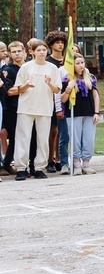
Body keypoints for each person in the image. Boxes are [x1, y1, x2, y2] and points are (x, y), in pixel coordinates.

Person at [12, 39, 61, 181]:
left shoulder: (52, 68)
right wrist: (27, 85)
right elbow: (18, 89)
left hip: (44, 107)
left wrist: (49, 83)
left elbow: (56, 89)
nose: (41, 52)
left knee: (42, 139)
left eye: (44, 50)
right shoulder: (26, 67)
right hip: (26, 107)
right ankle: (21, 168)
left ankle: (39, 167)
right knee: (23, 137)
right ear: (32, 52)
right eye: (38, 50)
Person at [62, 54, 101, 175]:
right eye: (77, 63)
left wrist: (96, 112)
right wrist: (68, 89)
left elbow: (95, 96)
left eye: (82, 63)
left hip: (89, 113)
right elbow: (63, 99)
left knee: (88, 139)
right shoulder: (67, 79)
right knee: (75, 139)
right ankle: (76, 164)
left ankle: (86, 163)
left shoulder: (91, 78)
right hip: (74, 113)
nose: (80, 65)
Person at [44, 30, 70, 174]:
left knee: (62, 133)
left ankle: (61, 159)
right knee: (52, 131)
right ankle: (50, 159)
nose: (60, 45)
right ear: (51, 45)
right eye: (57, 43)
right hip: (52, 99)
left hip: (66, 100)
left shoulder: (68, 60)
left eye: (62, 43)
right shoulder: (48, 62)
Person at [1, 41, 23, 174]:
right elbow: (8, 91)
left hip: (27, 106)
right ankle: (7, 162)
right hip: (11, 108)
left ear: (24, 51)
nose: (17, 54)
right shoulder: (7, 70)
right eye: (13, 52)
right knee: (14, 135)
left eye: (19, 51)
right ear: (10, 54)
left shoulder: (28, 67)